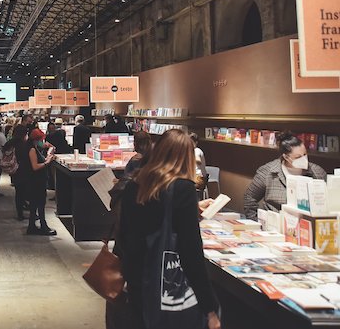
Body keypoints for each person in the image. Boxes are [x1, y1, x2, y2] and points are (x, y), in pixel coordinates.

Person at [115, 129, 220, 329]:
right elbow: (191, 252)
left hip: (136, 275)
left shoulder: (136, 183)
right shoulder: (183, 188)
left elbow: (128, 229)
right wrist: (210, 306)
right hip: (164, 281)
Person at [244, 131, 327, 221]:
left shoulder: (317, 172)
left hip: (307, 226)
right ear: (286, 157)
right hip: (275, 224)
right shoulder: (268, 172)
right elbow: (249, 198)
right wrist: (257, 223)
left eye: (305, 154)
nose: (304, 159)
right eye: (298, 157)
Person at [26, 129, 56, 235]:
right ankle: (42, 226)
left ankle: (33, 226)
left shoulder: (34, 147)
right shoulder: (32, 150)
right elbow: (35, 166)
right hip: (36, 181)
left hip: (36, 180)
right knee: (39, 203)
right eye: (40, 140)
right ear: (36, 139)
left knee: (35, 204)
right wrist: (47, 162)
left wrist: (48, 149)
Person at [4, 126, 30, 220]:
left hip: (15, 170)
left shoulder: (11, 143)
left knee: (18, 192)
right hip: (23, 170)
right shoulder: (23, 144)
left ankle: (20, 213)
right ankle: (23, 211)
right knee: (24, 192)